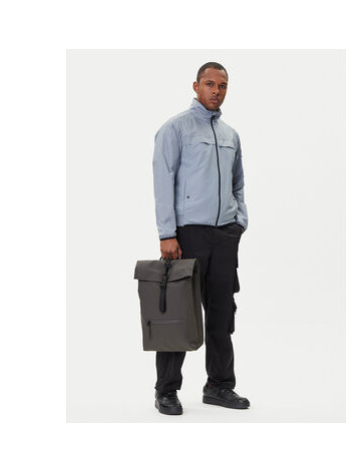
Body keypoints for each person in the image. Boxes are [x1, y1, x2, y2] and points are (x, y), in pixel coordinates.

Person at [152, 62, 250, 415]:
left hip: (225, 236)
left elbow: (238, 183)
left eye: (222, 86)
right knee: (178, 313)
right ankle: (166, 390)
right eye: (209, 84)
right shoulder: (175, 128)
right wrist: (167, 233)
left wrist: (239, 221)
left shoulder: (230, 135)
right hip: (187, 235)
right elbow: (162, 181)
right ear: (196, 86)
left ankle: (219, 386)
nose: (216, 91)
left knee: (222, 313)